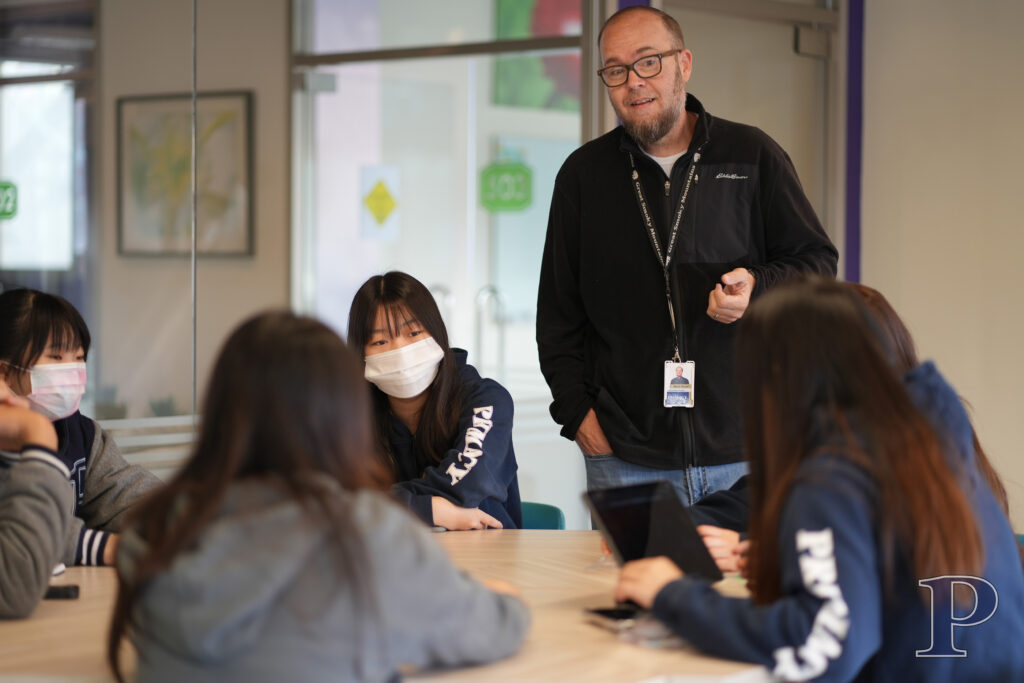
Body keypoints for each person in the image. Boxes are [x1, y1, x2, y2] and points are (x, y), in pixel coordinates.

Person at [614, 278, 1024, 681]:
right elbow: (900, 586)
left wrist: (673, 596)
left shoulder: (832, 476)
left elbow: (824, 649)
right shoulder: (933, 443)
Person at [108, 312, 530, 683]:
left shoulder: (157, 529)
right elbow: (493, 627)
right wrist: (501, 597)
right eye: (381, 339)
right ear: (343, 413)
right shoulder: (369, 534)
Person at [536, 5, 838, 504]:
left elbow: (817, 263)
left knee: (753, 585)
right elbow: (558, 315)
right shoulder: (583, 177)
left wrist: (757, 288)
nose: (633, 81)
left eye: (649, 61)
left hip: (749, 452)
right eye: (616, 69)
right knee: (639, 585)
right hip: (626, 459)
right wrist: (579, 419)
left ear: (685, 64)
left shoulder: (752, 154)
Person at [689, 282, 1017, 574]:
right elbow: (755, 499)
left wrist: (752, 551)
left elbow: (873, 551)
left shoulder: (901, 445)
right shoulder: (929, 417)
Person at [347, 271, 522, 531]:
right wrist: (432, 510)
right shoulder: (352, 412)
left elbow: (468, 486)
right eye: (381, 340)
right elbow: (331, 503)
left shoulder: (485, 399)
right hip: (392, 558)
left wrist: (396, 505)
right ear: (360, 352)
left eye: (414, 332)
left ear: (437, 333)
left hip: (486, 554)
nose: (400, 351)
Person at [0, 289, 161, 567]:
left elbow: (126, 495)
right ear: (4, 373)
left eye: (79, 357)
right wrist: (102, 547)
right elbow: (17, 542)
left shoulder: (82, 434)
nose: (74, 370)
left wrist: (184, 516)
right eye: (56, 357)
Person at [0, 379, 73, 618]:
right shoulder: (38, 428)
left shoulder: (82, 432)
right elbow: (14, 584)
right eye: (55, 356)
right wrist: (37, 433)